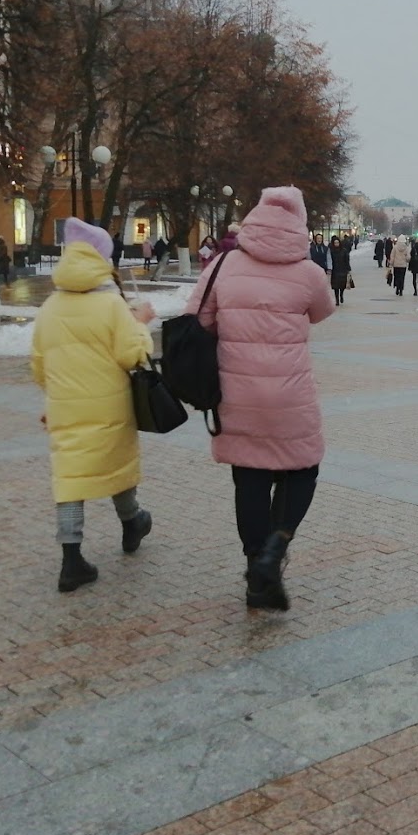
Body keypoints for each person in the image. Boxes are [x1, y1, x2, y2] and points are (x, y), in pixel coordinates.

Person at [182, 186, 335, 611]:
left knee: (249, 477)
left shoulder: (226, 264)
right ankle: (275, 547)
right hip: (291, 395)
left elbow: (198, 317)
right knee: (301, 469)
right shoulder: (309, 273)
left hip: (237, 392)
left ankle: (255, 573)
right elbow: (322, 313)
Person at [31, 218, 156, 593]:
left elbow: (38, 364)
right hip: (111, 405)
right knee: (113, 462)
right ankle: (132, 520)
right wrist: (141, 323)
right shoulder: (111, 305)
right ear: (103, 258)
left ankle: (72, 560)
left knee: (70, 478)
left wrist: (56, 394)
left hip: (66, 407)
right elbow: (133, 355)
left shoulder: (50, 307)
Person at [329, 235, 351, 305]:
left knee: (342, 285)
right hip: (335, 270)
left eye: (337, 243)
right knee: (336, 286)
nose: (336, 244)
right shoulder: (331, 251)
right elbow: (329, 260)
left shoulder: (344, 251)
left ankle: (341, 295)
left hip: (343, 270)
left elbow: (347, 260)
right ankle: (337, 300)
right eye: (335, 243)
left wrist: (348, 269)